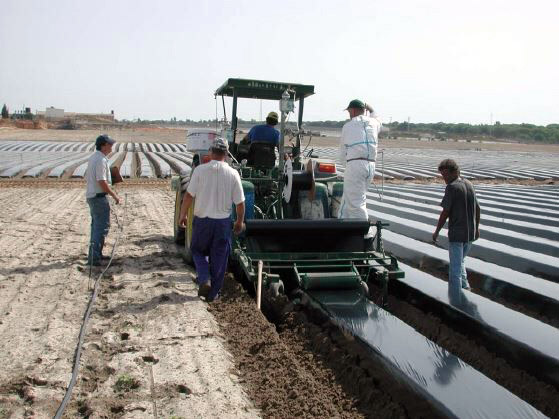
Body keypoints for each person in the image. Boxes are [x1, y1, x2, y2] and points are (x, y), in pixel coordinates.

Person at [179, 137, 245, 302]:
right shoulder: (233, 173)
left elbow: (188, 196)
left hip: (203, 221)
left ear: (210, 152)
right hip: (222, 224)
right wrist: (239, 222)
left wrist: (183, 214)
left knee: (197, 250)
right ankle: (213, 296)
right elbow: (240, 203)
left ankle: (203, 278)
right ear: (227, 154)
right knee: (219, 260)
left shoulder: (200, 171)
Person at [432, 159, 481, 298]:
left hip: (457, 234)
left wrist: (437, 231)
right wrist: (476, 228)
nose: (444, 179)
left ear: (455, 172)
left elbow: (445, 212)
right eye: (442, 175)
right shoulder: (469, 184)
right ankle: (466, 289)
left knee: (455, 269)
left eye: (446, 175)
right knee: (461, 262)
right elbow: (478, 208)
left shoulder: (452, 187)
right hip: (469, 234)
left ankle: (455, 301)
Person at [338, 99, 381, 226]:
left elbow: (342, 152)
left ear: (353, 110)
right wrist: (371, 108)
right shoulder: (374, 123)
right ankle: (342, 226)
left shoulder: (348, 126)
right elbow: (377, 117)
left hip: (355, 165)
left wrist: (347, 167)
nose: (349, 114)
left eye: (349, 111)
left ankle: (363, 233)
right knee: (348, 199)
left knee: (356, 203)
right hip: (370, 165)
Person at [85, 134, 120, 266]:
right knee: (101, 227)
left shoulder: (95, 158)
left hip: (93, 196)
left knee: (96, 226)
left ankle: (95, 255)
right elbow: (101, 181)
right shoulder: (100, 160)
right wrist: (114, 195)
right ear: (103, 145)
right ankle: (94, 258)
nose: (111, 147)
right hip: (98, 198)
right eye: (110, 144)